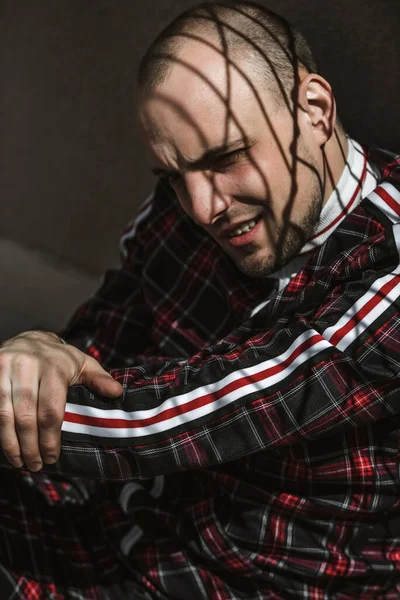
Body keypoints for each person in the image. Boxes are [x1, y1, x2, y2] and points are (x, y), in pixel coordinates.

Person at [0, 1, 399, 598]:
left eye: (226, 158)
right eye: (173, 176)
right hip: (124, 527)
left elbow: (180, 418)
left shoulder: (390, 264)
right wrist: (37, 360)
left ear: (314, 110)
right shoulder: (183, 212)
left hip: (250, 580)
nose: (203, 208)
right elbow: (97, 350)